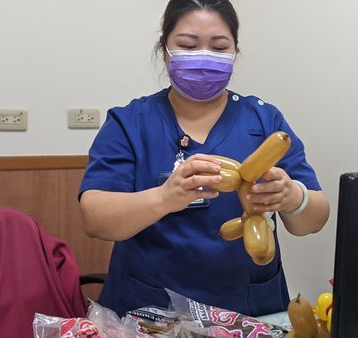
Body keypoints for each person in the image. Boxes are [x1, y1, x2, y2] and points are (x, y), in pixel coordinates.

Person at [78, 0, 330, 317]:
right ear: (165, 48)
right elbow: (95, 218)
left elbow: (315, 219)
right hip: (149, 312)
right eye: (188, 45)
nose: (204, 57)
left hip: (248, 310)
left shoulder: (264, 120)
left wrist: (292, 196)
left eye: (219, 46)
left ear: (234, 52)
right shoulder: (130, 122)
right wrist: (164, 197)